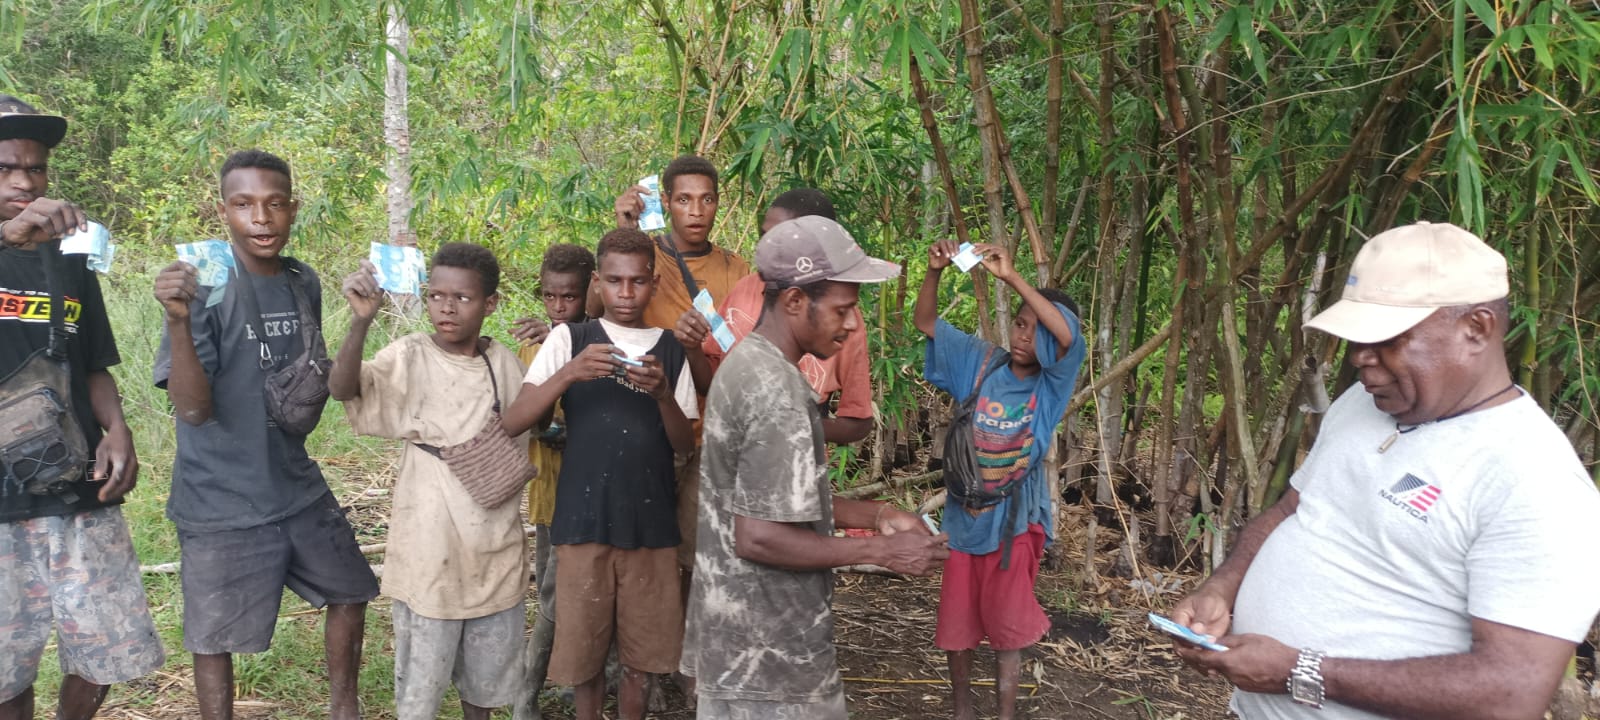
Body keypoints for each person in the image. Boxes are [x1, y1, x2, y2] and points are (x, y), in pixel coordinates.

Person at [1169, 221, 1600, 720]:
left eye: (1387, 339)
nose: (1360, 360)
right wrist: (1222, 588)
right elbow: (1293, 508)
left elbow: (1511, 691)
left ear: (1477, 329)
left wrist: (1298, 670)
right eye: (1356, 340)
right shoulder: (1364, 403)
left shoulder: (1536, 482)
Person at [683, 216, 949, 719]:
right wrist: (884, 552)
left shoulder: (748, 363)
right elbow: (758, 536)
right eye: (843, 310)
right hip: (769, 656)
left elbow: (772, 496)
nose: (851, 325)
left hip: (739, 641)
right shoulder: (777, 394)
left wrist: (875, 516)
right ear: (795, 303)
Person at [153, 150, 378, 720]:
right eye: (244, 205)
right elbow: (193, 409)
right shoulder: (201, 285)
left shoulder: (303, 281)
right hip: (219, 494)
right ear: (222, 210)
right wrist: (179, 320)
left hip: (293, 484)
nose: (262, 218)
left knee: (351, 591)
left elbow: (317, 379)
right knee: (214, 637)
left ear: (293, 209)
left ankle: (343, 709)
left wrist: (359, 323)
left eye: (275, 204)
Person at [0, 95, 163, 720]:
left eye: (36, 168)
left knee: (104, 647)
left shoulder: (69, 260)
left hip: (73, 485)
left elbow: (91, 361)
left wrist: (117, 429)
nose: (24, 180)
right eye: (8, 167)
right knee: (7, 662)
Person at [503, 228, 699, 720]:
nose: (626, 293)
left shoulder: (670, 349)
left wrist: (660, 394)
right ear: (598, 282)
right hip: (583, 519)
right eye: (614, 281)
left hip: (651, 526)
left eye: (637, 282)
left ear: (653, 283)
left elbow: (683, 442)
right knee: (584, 654)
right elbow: (516, 419)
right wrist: (569, 373)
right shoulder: (571, 338)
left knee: (643, 656)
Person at [330, 242, 529, 720]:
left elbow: (534, 425)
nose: (446, 307)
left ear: (491, 304)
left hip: (494, 551)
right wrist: (361, 321)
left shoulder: (504, 364)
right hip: (429, 554)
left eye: (462, 298)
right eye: (436, 295)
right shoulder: (410, 355)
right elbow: (343, 388)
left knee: (484, 687)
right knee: (421, 688)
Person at [913, 240, 1085, 720]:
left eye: (1038, 329)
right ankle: (963, 710)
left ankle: (1005, 714)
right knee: (958, 624)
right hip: (963, 518)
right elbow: (926, 323)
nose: (1026, 336)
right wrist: (933, 272)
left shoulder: (1050, 385)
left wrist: (1011, 277)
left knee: (1007, 629)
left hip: (1012, 525)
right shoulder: (981, 362)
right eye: (1020, 323)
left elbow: (1068, 339)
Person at [688, 188, 874, 445]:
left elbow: (858, 421)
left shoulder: (842, 319)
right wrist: (691, 348)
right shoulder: (744, 290)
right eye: (764, 236)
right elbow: (711, 382)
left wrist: (795, 426)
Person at [509, 243, 595, 720]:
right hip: (551, 489)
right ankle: (527, 693)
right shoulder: (532, 347)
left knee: (590, 589)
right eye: (550, 297)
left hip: (595, 489)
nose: (559, 307)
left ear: (588, 293)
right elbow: (524, 415)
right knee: (552, 591)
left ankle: (577, 678)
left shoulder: (602, 339)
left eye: (570, 297)